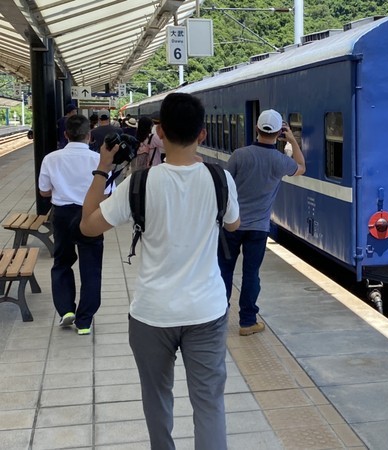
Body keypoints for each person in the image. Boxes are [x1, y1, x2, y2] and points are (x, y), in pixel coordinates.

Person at [80, 93, 240, 449]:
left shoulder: (139, 183)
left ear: (161, 132)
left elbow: (88, 226)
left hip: (152, 314)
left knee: (156, 398)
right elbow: (233, 225)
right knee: (209, 403)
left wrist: (103, 168)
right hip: (207, 311)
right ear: (202, 134)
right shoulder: (220, 180)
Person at [218, 109, 305, 336]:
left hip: (232, 224)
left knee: (224, 270)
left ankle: (217, 319)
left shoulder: (240, 155)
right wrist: (293, 140)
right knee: (251, 274)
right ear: (279, 132)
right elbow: (301, 167)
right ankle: (247, 322)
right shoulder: (280, 161)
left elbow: (227, 185)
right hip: (258, 228)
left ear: (256, 129)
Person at [38, 114, 109, 335]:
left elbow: (44, 191)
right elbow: (108, 193)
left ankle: (66, 310)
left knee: (62, 262)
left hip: (61, 214)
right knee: (91, 267)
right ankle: (85, 320)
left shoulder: (51, 158)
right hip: (91, 214)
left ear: (66, 134)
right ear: (90, 136)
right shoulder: (98, 160)